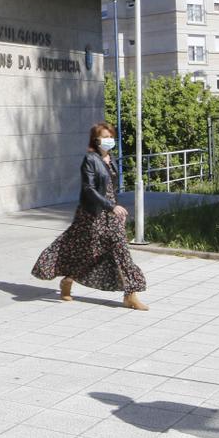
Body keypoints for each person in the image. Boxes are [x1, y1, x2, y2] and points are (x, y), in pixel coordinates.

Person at [31, 122, 148, 310]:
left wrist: (117, 210)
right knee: (89, 254)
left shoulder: (113, 159)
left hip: (110, 214)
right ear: (96, 139)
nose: (109, 140)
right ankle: (68, 280)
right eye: (105, 137)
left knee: (122, 251)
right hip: (92, 215)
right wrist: (111, 206)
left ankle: (130, 295)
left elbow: (111, 189)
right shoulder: (90, 159)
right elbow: (89, 189)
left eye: (111, 136)